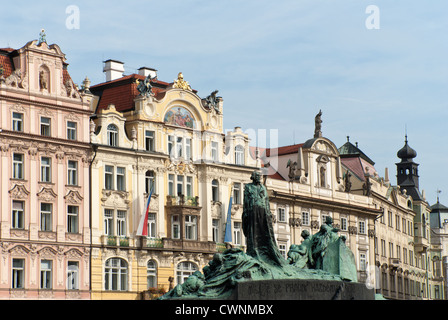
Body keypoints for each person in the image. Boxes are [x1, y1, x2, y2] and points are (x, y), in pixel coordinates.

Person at [242, 171, 286, 267]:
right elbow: (245, 200)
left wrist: (269, 213)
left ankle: (265, 251)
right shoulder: (248, 187)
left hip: (263, 211)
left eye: (260, 176)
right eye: (257, 176)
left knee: (263, 231)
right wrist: (245, 212)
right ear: (253, 177)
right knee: (253, 231)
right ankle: (254, 250)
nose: (259, 178)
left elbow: (266, 201)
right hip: (252, 210)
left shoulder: (263, 188)